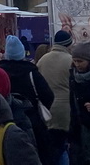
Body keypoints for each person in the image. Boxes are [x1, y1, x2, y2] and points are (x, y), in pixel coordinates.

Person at [0, 35, 55, 165]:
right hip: (31, 122)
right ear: (22, 53)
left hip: (2, 122)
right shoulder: (32, 73)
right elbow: (48, 97)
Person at [37, 30, 74, 165]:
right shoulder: (70, 60)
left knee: (52, 144)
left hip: (46, 109)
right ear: (68, 44)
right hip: (66, 109)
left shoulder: (43, 59)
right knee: (63, 145)